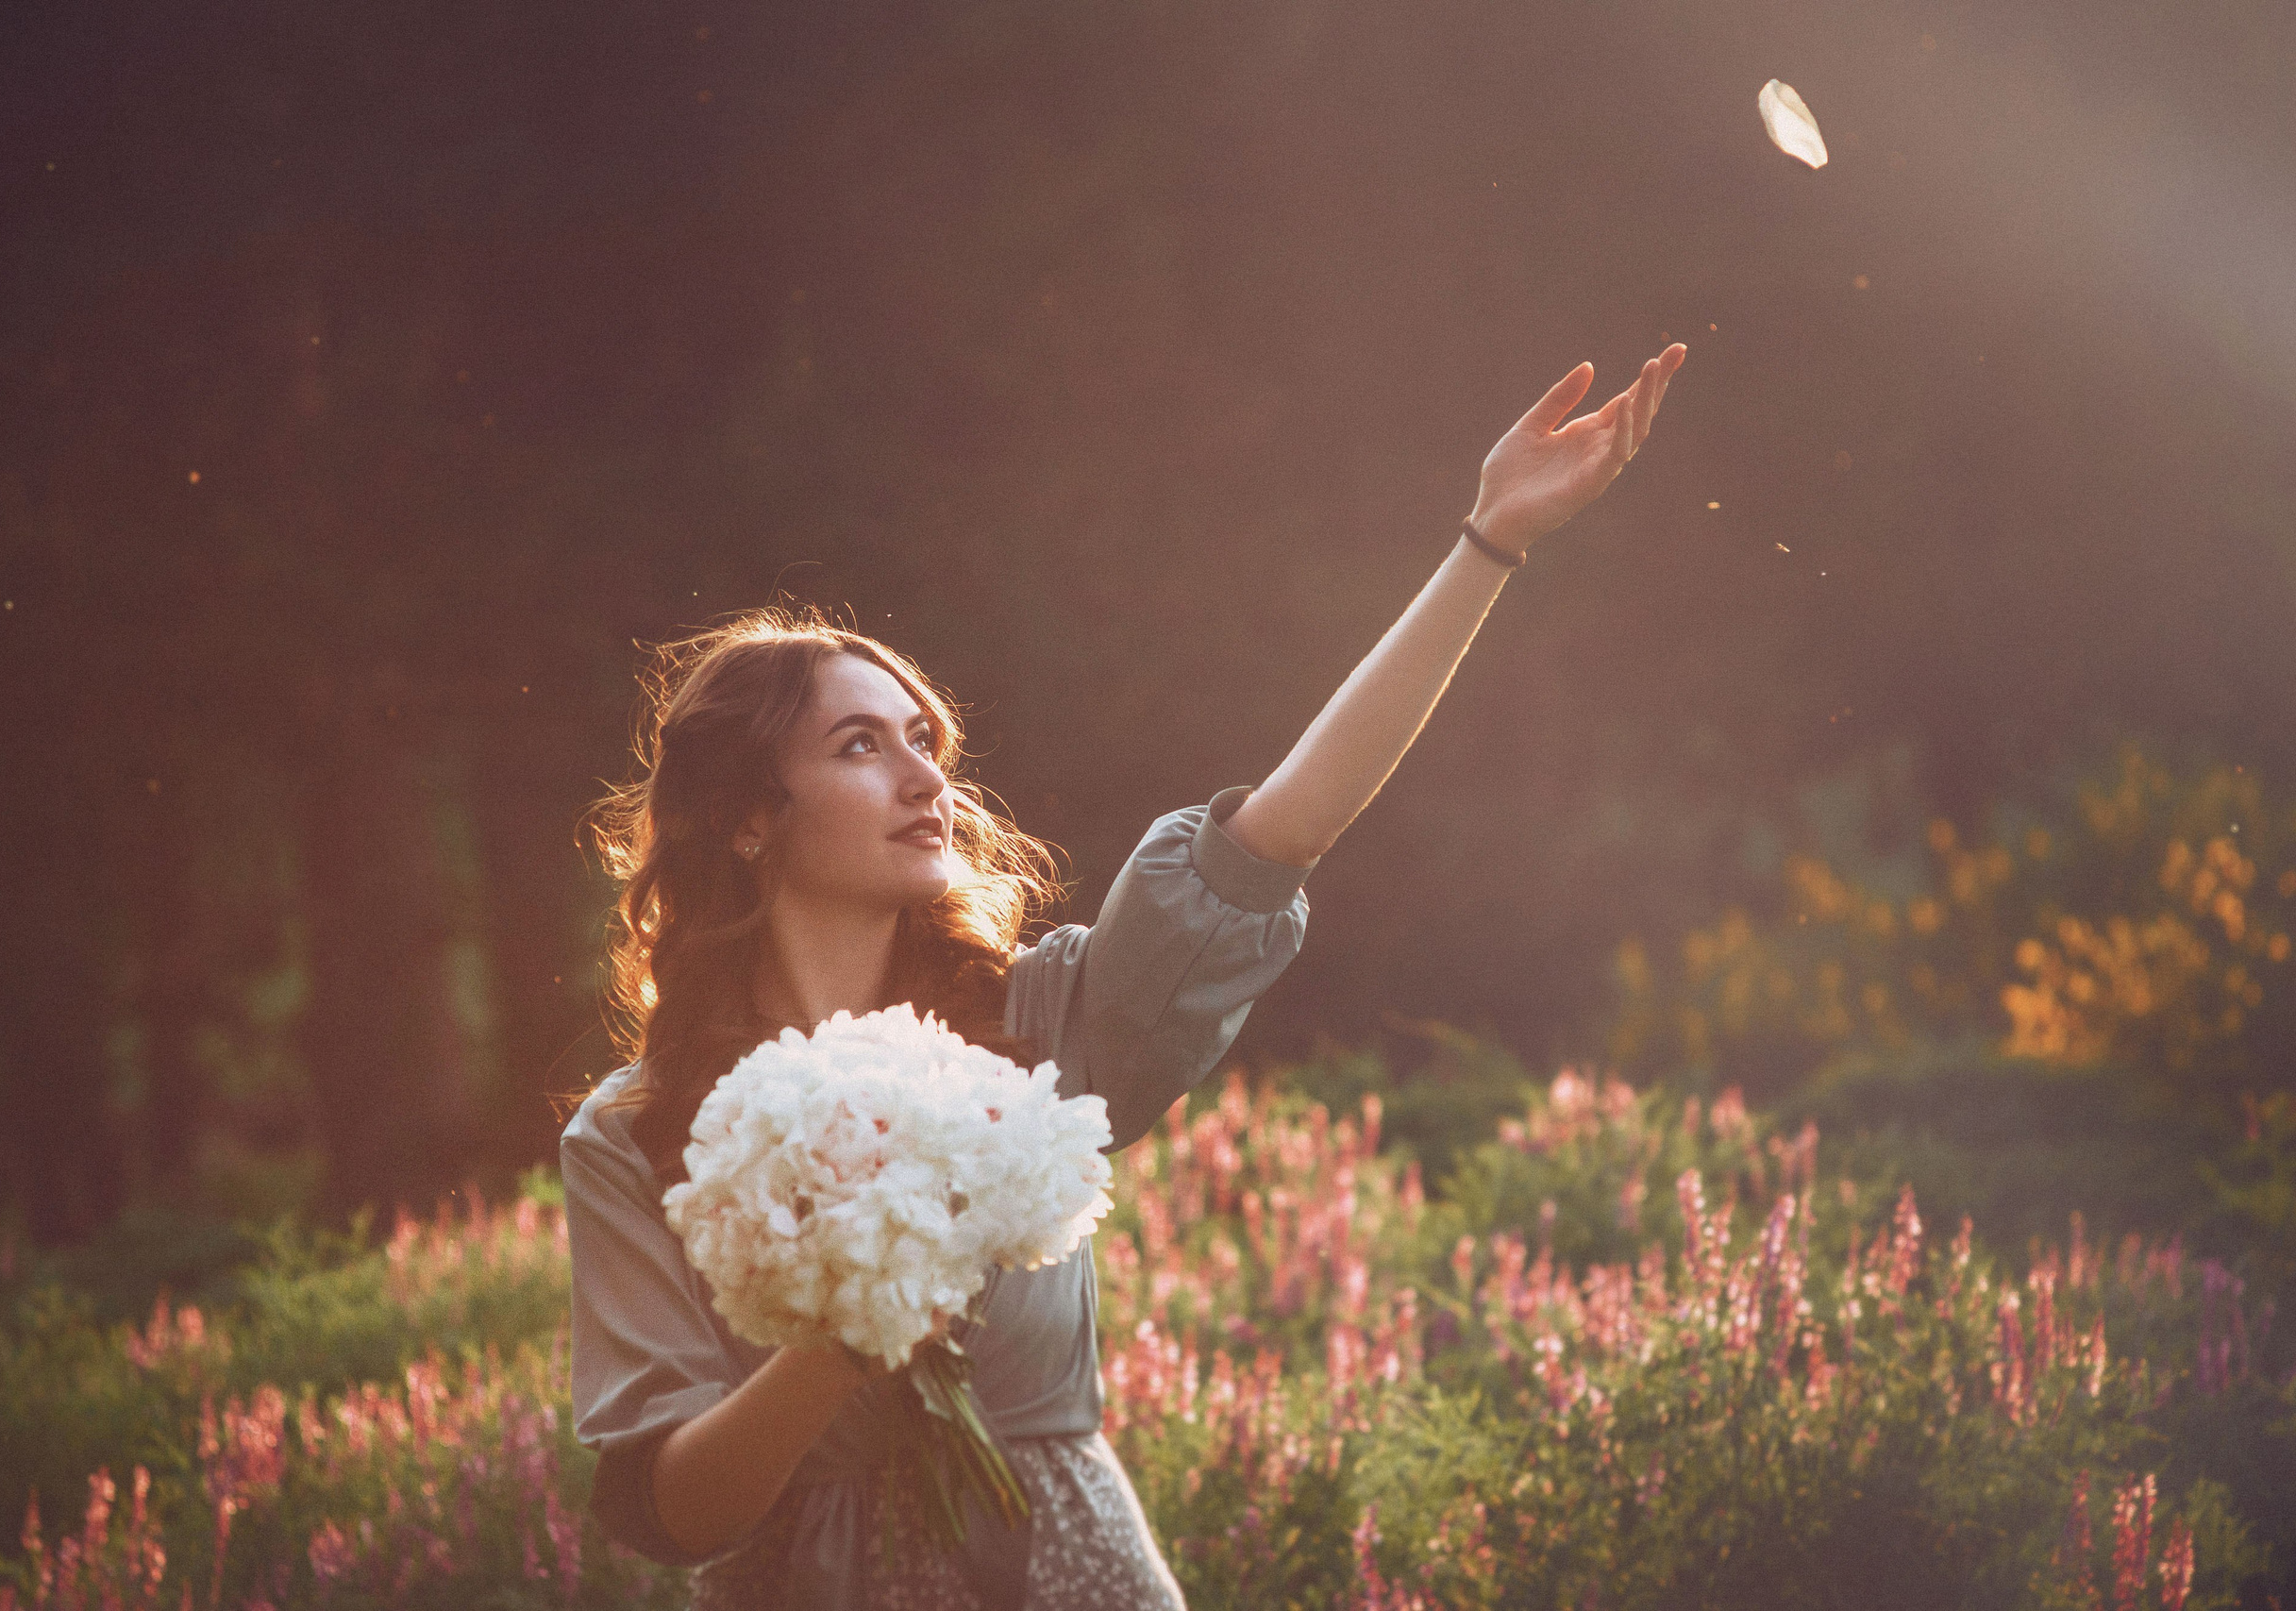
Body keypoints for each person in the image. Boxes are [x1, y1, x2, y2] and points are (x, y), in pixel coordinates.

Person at [558, 344, 1687, 1610]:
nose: (928, 778)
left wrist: (1488, 542)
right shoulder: (637, 1133)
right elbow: (670, 1512)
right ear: (748, 820)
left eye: (926, 741)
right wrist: (844, 1326)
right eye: (861, 747)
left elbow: (1282, 830)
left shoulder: (1044, 1029)